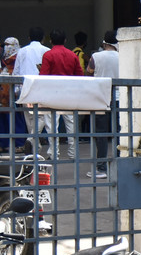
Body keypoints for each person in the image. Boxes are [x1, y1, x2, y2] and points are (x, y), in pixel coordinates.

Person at [40, 28, 84, 159]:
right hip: (69, 94)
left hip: (52, 94)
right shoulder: (72, 55)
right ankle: (73, 153)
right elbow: (80, 75)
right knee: (71, 124)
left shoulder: (48, 55)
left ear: (51, 41)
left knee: (52, 125)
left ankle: (54, 153)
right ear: (65, 40)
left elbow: (43, 76)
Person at [86, 31, 119, 179]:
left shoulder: (96, 56)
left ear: (104, 43)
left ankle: (101, 168)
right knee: (120, 132)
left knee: (101, 133)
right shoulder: (123, 56)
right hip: (120, 97)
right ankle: (120, 164)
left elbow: (89, 71)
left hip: (101, 97)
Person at [15, 27, 51, 143]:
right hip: (41, 88)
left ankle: (33, 144)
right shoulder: (46, 51)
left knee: (29, 118)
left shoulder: (22, 51)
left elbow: (16, 72)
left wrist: (16, 90)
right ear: (43, 39)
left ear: (29, 38)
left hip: (25, 87)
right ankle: (34, 142)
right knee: (41, 117)